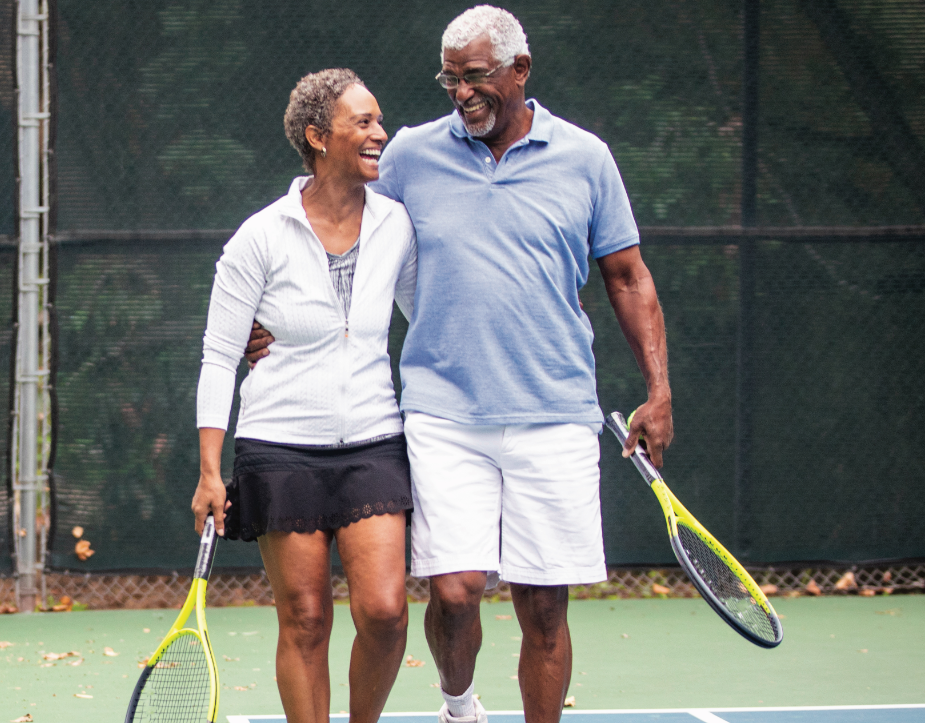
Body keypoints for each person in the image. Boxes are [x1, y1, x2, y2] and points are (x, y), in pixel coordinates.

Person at [246, 6, 674, 723]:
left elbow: (628, 277)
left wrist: (658, 392)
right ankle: (459, 704)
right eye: (450, 79)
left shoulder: (586, 158)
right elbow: (333, 216)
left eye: (475, 76)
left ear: (519, 69)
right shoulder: (411, 155)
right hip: (442, 412)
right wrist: (269, 311)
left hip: (556, 410)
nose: (461, 93)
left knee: (544, 607)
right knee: (453, 590)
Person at [190, 68, 418, 723]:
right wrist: (210, 470)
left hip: (374, 440)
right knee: (307, 619)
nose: (380, 133)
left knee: (385, 612)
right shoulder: (260, 236)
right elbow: (219, 355)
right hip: (279, 448)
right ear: (318, 137)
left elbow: (428, 317)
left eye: (379, 120)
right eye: (364, 122)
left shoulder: (397, 225)